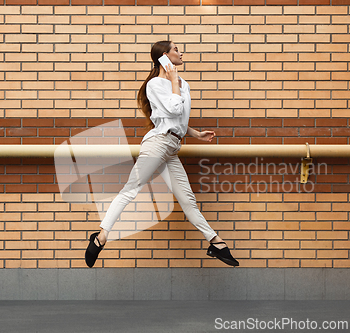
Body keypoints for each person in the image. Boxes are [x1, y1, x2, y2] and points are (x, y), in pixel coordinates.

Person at [85, 40, 239, 268]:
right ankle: (101, 237)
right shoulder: (156, 84)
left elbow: (178, 118)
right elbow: (174, 109)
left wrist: (196, 134)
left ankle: (216, 243)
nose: (181, 52)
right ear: (164, 56)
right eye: (176, 49)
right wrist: (173, 81)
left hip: (171, 148)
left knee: (188, 201)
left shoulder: (182, 84)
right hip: (157, 144)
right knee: (130, 191)